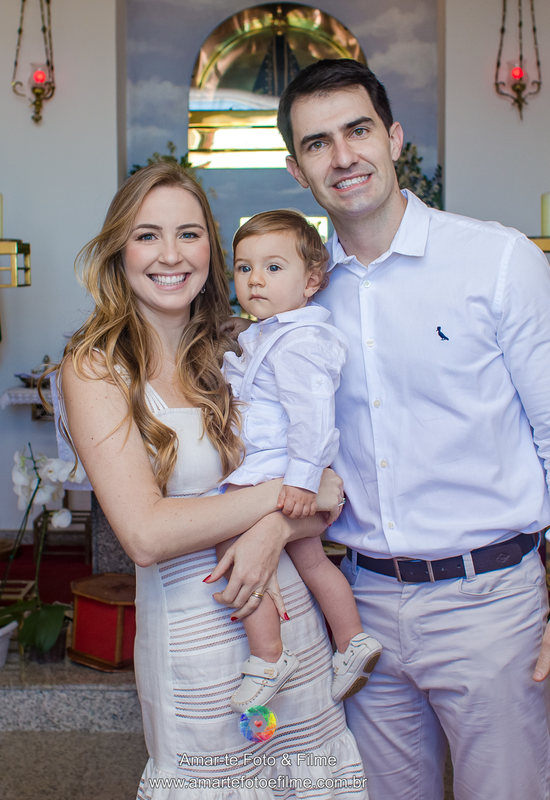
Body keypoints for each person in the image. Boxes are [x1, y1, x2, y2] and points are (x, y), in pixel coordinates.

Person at [275, 59, 550, 800]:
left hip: (488, 603)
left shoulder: (496, 261)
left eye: (358, 130)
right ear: (298, 170)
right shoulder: (301, 298)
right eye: (317, 143)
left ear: (394, 138)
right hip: (361, 604)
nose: (343, 156)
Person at [58, 163, 369, 798]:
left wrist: (277, 525)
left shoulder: (239, 348)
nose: (171, 254)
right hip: (198, 644)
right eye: (147, 235)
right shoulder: (96, 369)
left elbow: (329, 486)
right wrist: (282, 505)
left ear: (211, 247)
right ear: (119, 249)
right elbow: (145, 534)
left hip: (290, 632)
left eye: (189, 234)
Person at [216, 210, 383, 714]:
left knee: (228, 541)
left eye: (272, 267)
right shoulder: (272, 333)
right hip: (278, 469)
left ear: (311, 281)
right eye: (244, 268)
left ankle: (269, 656)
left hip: (274, 472)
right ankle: (352, 641)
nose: (255, 280)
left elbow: (313, 415)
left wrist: (303, 480)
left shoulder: (299, 341)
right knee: (312, 561)